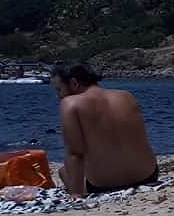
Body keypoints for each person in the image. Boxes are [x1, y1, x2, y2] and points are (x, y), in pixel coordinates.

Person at [50, 63, 158, 196]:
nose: (58, 96)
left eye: (59, 89)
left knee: (63, 171)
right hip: (147, 175)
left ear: (74, 83)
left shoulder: (70, 103)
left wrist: (75, 195)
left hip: (104, 185)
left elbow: (75, 153)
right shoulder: (126, 95)